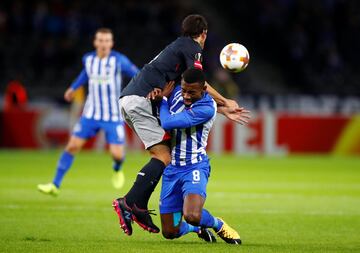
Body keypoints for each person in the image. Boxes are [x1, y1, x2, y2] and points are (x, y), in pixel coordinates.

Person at [112, 14, 249, 236]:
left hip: (131, 99)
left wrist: (220, 109)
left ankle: (136, 205)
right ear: (203, 33)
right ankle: (130, 203)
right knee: (163, 157)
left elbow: (193, 95)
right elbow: (199, 84)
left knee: (161, 153)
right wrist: (225, 100)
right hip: (141, 99)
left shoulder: (177, 48)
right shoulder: (192, 48)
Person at [38, 28, 139, 196]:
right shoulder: (89, 59)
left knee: (117, 155)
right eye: (101, 40)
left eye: (107, 40)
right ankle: (55, 184)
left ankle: (117, 169)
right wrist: (73, 88)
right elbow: (85, 75)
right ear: (95, 42)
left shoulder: (119, 61)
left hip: (112, 116)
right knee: (72, 146)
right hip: (90, 114)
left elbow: (137, 74)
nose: (104, 44)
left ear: (111, 43)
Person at [158, 68, 242, 244]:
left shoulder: (207, 108)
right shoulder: (175, 92)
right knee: (169, 231)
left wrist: (163, 100)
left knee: (192, 215)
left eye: (192, 92)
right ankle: (195, 229)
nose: (186, 96)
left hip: (194, 167)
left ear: (204, 90)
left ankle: (217, 224)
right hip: (172, 169)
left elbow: (167, 122)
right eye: (184, 90)